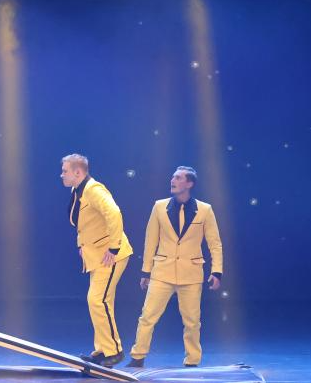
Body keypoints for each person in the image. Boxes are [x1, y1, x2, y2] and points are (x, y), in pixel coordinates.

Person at [126, 166, 223, 368]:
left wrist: (217, 271)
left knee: (192, 321)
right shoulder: (159, 207)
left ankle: (192, 360)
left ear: (189, 183)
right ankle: (137, 357)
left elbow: (214, 243)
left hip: (191, 273)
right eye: (172, 177)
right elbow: (150, 241)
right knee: (147, 316)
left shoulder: (205, 210)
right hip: (162, 271)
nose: (173, 180)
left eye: (178, 178)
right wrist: (146, 271)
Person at [61, 153, 132, 368]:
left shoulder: (94, 189)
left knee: (97, 300)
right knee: (100, 301)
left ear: (78, 172)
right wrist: (82, 246)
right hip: (98, 256)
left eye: (65, 171)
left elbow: (114, 213)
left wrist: (114, 246)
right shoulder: (78, 190)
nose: (62, 175)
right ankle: (103, 350)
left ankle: (114, 351)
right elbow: (85, 224)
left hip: (111, 255)